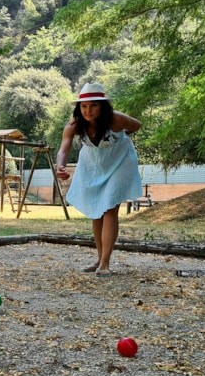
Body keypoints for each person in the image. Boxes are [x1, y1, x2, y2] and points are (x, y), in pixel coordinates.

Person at [56, 82, 143, 277]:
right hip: (93, 165)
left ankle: (105, 263)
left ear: (102, 106)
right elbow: (64, 149)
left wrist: (122, 135)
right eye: (84, 106)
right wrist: (60, 166)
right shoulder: (74, 126)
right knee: (96, 210)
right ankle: (99, 258)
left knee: (109, 207)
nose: (88, 110)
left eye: (93, 105)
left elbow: (136, 125)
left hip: (120, 162)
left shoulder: (116, 119)